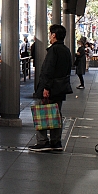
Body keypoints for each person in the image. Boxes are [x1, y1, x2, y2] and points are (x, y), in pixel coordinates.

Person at [30, 24, 72, 152]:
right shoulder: (66, 50)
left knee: (42, 113)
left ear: (54, 35)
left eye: (50, 33)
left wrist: (46, 88)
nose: (49, 36)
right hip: (61, 88)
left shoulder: (53, 50)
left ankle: (42, 142)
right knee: (56, 114)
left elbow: (48, 71)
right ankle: (56, 142)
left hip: (50, 88)